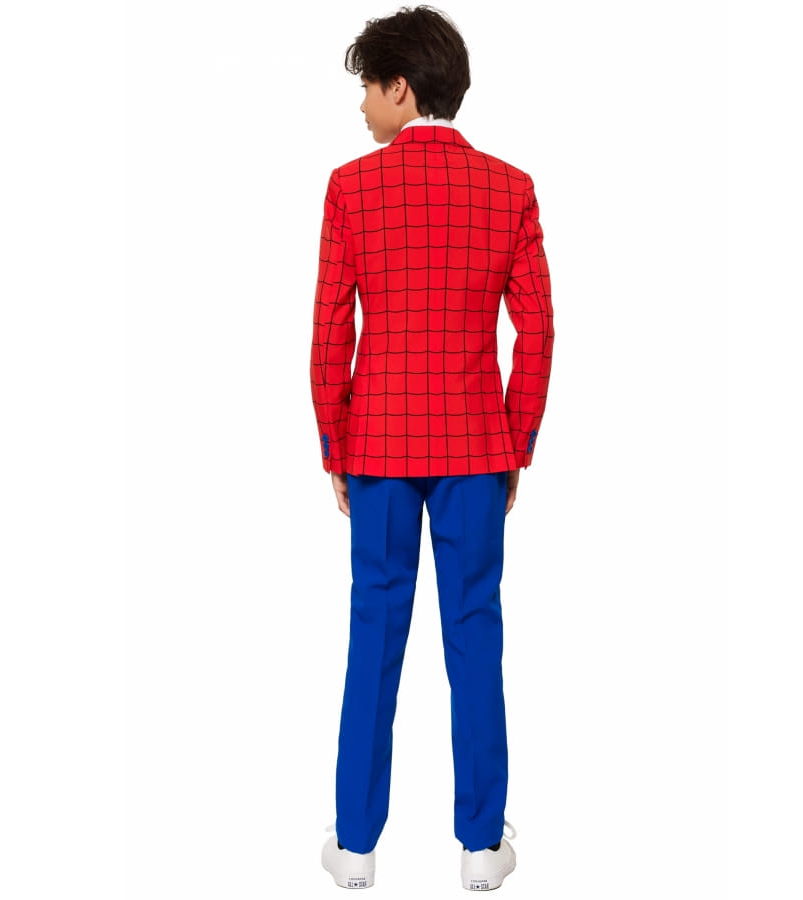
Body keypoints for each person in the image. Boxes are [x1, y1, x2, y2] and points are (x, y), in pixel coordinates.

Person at [310, 5, 554, 890]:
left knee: (373, 634)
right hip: (476, 449)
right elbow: (538, 331)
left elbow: (330, 330)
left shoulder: (351, 188)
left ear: (401, 87)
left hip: (377, 447)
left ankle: (356, 846)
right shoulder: (510, 188)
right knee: (474, 635)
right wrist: (515, 442)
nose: (361, 106)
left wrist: (334, 443)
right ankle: (482, 847)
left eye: (368, 89)